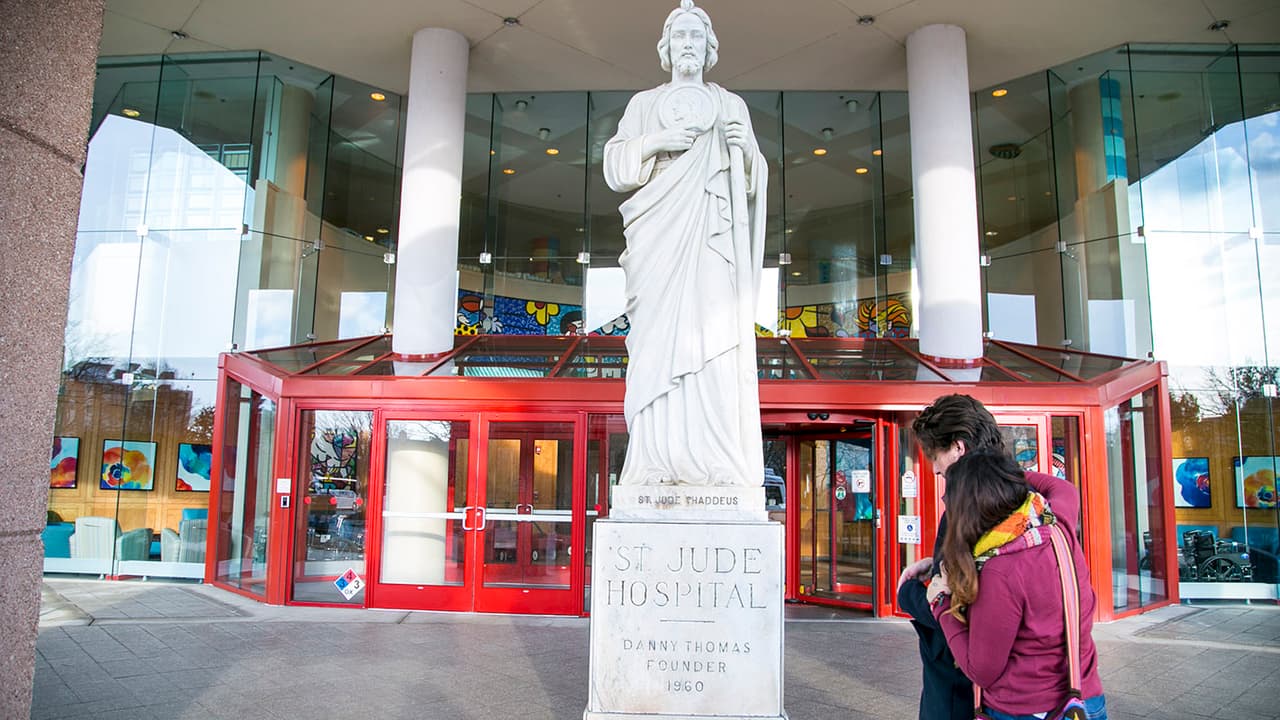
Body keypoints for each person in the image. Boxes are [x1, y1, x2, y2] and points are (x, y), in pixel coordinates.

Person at [603, 0, 767, 487]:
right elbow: (615, 167)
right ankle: (655, 460)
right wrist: (659, 140)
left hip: (712, 243)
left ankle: (718, 460)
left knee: (713, 341)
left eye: (696, 36)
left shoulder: (730, 105)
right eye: (680, 36)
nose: (688, 44)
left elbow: (754, 179)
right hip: (658, 238)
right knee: (656, 343)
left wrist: (745, 150)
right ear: (667, 47)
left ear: (709, 47)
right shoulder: (644, 105)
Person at [926, 449, 1107, 719]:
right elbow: (1064, 488)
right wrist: (1000, 475)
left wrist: (940, 604)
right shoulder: (1057, 525)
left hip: (1025, 709)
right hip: (1085, 699)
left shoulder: (1000, 572)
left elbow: (981, 671)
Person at [898, 393, 1007, 720]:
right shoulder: (1018, 501)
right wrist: (937, 563)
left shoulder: (970, 509)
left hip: (956, 686)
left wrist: (908, 593)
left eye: (935, 455)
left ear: (958, 447)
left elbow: (958, 606)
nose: (934, 468)